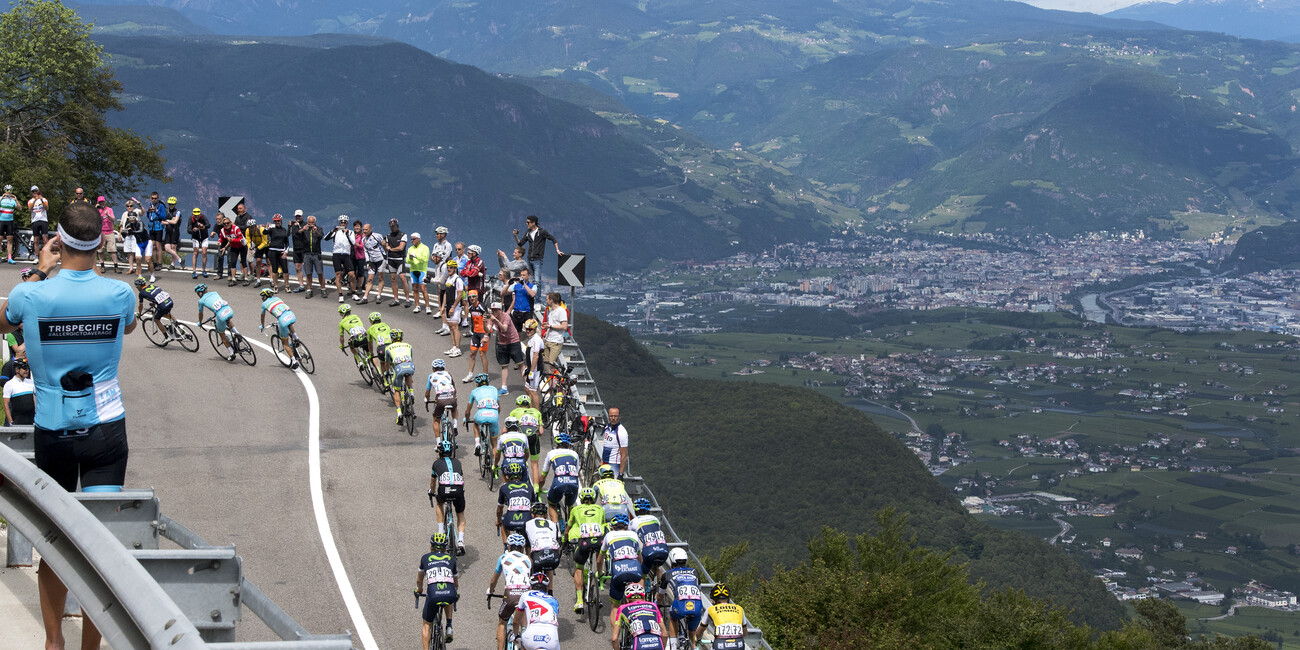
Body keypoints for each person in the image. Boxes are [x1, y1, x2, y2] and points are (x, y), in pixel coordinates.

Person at [0, 201, 136, 650]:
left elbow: (4, 321)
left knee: (57, 544)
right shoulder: (120, 294)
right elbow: (129, 327)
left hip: (54, 432)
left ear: (57, 241)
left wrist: (41, 269)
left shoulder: (31, 295)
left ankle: (54, 642)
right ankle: (91, 647)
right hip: (106, 433)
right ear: (100, 242)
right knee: (99, 548)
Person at [598, 513, 644, 627]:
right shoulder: (633, 535)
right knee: (638, 599)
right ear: (627, 526)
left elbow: (599, 560)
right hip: (635, 570)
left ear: (613, 527)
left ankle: (615, 635)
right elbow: (640, 559)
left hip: (618, 571)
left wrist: (600, 574)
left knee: (615, 606)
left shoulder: (609, 536)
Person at [488, 533, 533, 650]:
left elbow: (494, 580)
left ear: (508, 547)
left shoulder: (503, 558)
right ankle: (523, 637)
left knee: (502, 622)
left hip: (510, 594)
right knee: (523, 615)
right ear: (522, 548)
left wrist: (490, 591)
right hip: (526, 593)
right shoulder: (528, 559)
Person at [567, 486, 606, 613]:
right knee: (598, 560)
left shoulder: (575, 509)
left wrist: (564, 538)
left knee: (579, 568)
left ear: (581, 498)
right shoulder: (600, 509)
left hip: (583, 541)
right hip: (599, 540)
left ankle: (579, 601)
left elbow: (569, 526)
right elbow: (603, 525)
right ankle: (598, 579)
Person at [416, 532, 458, 646]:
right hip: (449, 593)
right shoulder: (451, 559)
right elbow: (455, 584)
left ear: (431, 546)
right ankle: (449, 625)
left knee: (426, 625)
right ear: (445, 548)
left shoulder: (425, 558)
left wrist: (419, 590)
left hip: (433, 594)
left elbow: (419, 581)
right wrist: (456, 594)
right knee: (450, 594)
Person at [658, 548, 703, 650]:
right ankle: (694, 647)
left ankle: (673, 646)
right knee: (692, 631)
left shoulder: (667, 575)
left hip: (680, 606)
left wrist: (657, 603)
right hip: (697, 606)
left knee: (673, 617)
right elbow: (698, 591)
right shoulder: (695, 572)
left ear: (672, 561)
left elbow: (661, 595)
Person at [429, 440, 467, 555]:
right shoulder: (458, 462)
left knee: (439, 503)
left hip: (444, 490)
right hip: (458, 490)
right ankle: (460, 541)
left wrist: (431, 492)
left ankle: (441, 532)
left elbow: (433, 483)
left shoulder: (436, 464)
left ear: (439, 452)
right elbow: (461, 479)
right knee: (460, 513)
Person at [540, 432, 581, 528]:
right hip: (573, 483)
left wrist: (539, 488)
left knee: (552, 504)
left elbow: (543, 476)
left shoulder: (551, 453)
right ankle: (570, 531)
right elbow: (576, 472)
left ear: (557, 444)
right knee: (570, 506)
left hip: (559, 483)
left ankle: (556, 530)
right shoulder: (575, 454)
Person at [513, 572, 560, 650]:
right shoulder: (554, 600)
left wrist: (515, 636)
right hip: (551, 639)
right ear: (547, 589)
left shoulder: (526, 595)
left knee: (523, 644)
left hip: (532, 637)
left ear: (530, 587)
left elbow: (516, 622)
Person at [513, 215, 562, 290]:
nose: (527, 224)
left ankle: (537, 299)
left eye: (528, 222)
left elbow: (553, 239)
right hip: (529, 259)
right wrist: (515, 235)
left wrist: (557, 250)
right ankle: (532, 298)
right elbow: (520, 243)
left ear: (533, 223)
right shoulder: (528, 232)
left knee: (537, 281)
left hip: (537, 260)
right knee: (532, 280)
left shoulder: (542, 232)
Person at [612, 582, 666, 650]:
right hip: (657, 644)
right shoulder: (653, 606)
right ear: (644, 598)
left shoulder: (622, 608)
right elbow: (665, 634)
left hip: (639, 644)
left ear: (627, 600)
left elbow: (614, 639)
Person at [258, 288, 301, 370]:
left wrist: (262, 326)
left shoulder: (264, 304)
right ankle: (296, 338)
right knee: (289, 323)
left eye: (262, 297)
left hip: (282, 320)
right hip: (291, 315)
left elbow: (262, 316)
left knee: (285, 343)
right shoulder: (278, 298)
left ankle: (294, 361)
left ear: (265, 296)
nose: (261, 299)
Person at [196, 284, 241, 361]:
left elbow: (201, 313)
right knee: (228, 320)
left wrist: (200, 322)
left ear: (199, 293)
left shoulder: (201, 301)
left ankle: (231, 353)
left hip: (220, 315)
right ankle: (237, 333)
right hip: (229, 310)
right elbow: (218, 304)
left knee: (221, 334)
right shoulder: (215, 293)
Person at [496, 462, 535, 547]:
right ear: (521, 476)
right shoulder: (529, 486)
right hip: (527, 521)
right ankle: (528, 554)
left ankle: (506, 547)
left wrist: (499, 521)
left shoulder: (503, 488)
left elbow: (499, 510)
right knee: (528, 535)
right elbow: (534, 507)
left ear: (507, 476)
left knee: (503, 519)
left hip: (511, 521)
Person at [696, 584, 745, 650]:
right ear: (728, 599)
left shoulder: (710, 609)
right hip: (739, 644)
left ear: (714, 600)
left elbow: (699, 632)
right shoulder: (740, 609)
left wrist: (698, 639)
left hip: (720, 645)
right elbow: (744, 632)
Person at [509, 394, 543, 485]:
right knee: (535, 464)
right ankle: (536, 488)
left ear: (518, 405)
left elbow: (511, 428)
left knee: (519, 459)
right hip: (534, 437)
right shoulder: (536, 412)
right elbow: (541, 432)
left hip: (521, 438)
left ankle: (518, 479)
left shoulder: (514, 411)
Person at [524, 501, 562, 581]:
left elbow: (528, 548)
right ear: (546, 515)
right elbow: (557, 542)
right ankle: (550, 591)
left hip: (538, 555)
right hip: (554, 558)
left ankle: (532, 587)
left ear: (532, 515)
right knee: (549, 568)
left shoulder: (528, 524)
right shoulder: (553, 524)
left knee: (533, 569)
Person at [492, 301, 524, 396]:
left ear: (500, 310)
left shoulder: (506, 317)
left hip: (513, 342)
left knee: (520, 364)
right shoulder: (492, 318)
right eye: (493, 311)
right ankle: (504, 387)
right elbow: (488, 329)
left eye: (496, 311)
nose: (494, 313)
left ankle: (528, 384)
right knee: (504, 365)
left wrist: (496, 321)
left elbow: (505, 328)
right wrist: (486, 324)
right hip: (502, 343)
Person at [632, 498, 669, 578]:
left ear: (635, 511)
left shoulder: (633, 522)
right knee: (657, 567)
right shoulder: (655, 519)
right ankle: (661, 588)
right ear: (648, 511)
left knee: (641, 575)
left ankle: (643, 587)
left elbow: (628, 537)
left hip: (649, 553)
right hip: (664, 551)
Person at [385, 328, 415, 424]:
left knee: (397, 390)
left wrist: (387, 372)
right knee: (408, 374)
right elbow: (410, 358)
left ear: (391, 338)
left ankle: (399, 413)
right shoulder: (408, 345)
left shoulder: (388, 348)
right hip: (409, 366)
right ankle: (411, 392)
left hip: (398, 368)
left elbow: (387, 363)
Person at [466, 372, 500, 456]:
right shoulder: (494, 389)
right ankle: (495, 466)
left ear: (477, 384)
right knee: (494, 445)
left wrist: (466, 419)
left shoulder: (474, 391)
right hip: (494, 415)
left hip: (481, 415)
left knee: (475, 423)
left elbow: (468, 410)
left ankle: (477, 444)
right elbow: (499, 407)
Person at [425, 358, 458, 442]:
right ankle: (455, 425)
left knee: (436, 419)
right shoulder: (448, 374)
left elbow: (427, 392)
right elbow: (454, 389)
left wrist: (427, 399)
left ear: (433, 368)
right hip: (451, 396)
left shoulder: (431, 376)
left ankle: (438, 443)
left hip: (440, 398)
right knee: (454, 408)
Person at [381, 218, 411, 308]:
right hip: (391, 259)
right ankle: (396, 299)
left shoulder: (403, 235)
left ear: (397, 226)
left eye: (393, 226)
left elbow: (401, 248)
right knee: (393, 279)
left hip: (399, 259)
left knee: (402, 278)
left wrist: (390, 248)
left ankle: (407, 299)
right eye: (391, 226)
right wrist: (384, 245)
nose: (392, 228)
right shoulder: (388, 236)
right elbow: (386, 249)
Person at [326, 215, 354, 303]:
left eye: (344, 222)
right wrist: (333, 231)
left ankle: (354, 292)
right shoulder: (336, 231)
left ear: (347, 223)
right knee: (338, 274)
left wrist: (346, 233)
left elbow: (353, 243)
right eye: (341, 222)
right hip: (337, 254)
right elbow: (326, 238)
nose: (343, 223)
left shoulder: (350, 232)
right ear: (339, 223)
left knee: (352, 274)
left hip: (346, 254)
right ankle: (340, 294)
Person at [355, 222, 385, 305]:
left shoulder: (377, 236)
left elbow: (383, 244)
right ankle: (365, 297)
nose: (364, 231)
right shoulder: (364, 239)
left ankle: (379, 296)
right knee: (370, 279)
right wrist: (368, 261)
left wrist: (385, 254)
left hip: (380, 260)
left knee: (380, 277)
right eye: (363, 230)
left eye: (366, 230)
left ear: (370, 229)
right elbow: (365, 250)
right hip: (372, 261)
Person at [464, 290, 490, 382]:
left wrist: (486, 335)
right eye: (470, 297)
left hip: (483, 333)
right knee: (472, 354)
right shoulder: (471, 307)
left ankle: (486, 376)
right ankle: (470, 374)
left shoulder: (482, 306)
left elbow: (489, 319)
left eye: (474, 296)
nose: (472, 298)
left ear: (477, 297)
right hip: (475, 333)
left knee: (482, 354)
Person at [440, 259, 465, 354]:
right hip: (448, 305)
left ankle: (458, 348)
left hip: (455, 306)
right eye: (448, 267)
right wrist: (443, 306)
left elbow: (459, 295)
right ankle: (454, 346)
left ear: (455, 269)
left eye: (451, 268)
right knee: (450, 327)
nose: (449, 269)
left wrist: (453, 307)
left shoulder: (457, 280)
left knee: (455, 326)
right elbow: (446, 293)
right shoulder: (448, 279)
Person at [495, 418, 530, 483]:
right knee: (524, 483)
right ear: (517, 427)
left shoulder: (502, 437)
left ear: (506, 427)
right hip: (521, 462)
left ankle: (505, 487)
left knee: (505, 481)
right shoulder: (524, 436)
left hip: (507, 463)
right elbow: (527, 453)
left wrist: (495, 465)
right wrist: (525, 461)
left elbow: (497, 455)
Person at [298, 215, 326, 298]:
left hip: (316, 254)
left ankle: (323, 289)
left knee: (320, 272)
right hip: (307, 254)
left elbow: (320, 236)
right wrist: (303, 229)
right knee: (308, 273)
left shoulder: (319, 228)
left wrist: (315, 231)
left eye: (312, 222)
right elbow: (297, 233)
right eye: (309, 222)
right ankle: (309, 290)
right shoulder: (305, 229)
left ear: (315, 223)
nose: (311, 224)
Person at [122, 199, 150, 278]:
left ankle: (138, 268)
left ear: (133, 206)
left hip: (135, 234)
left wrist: (140, 204)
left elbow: (143, 212)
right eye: (128, 206)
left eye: (131, 206)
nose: (129, 207)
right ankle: (131, 268)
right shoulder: (124, 214)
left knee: (136, 252)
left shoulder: (137, 211)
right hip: (127, 235)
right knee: (129, 252)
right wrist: (121, 234)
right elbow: (122, 224)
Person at [3, 357, 34, 426]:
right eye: (24, 369)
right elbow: (6, 404)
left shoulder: (31, 382)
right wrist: (10, 421)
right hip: (18, 420)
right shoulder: (9, 384)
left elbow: (36, 400)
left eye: (27, 368)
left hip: (31, 419)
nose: (27, 371)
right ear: (17, 370)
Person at [406, 231, 432, 314]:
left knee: (423, 289)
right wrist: (410, 258)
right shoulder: (410, 249)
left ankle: (427, 306)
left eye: (414, 239)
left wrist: (415, 256)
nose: (412, 240)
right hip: (413, 270)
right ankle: (417, 306)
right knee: (415, 288)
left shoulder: (425, 248)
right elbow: (407, 261)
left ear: (418, 239)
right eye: (411, 239)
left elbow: (425, 259)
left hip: (422, 271)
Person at [365, 311, 392, 386]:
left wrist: (372, 353)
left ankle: (386, 382)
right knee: (392, 361)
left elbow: (370, 343)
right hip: (391, 346)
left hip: (381, 348)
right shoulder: (386, 325)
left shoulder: (370, 329)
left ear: (371, 320)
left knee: (382, 363)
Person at [219, 215, 248, 286]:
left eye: (227, 223)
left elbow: (240, 238)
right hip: (234, 247)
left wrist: (232, 240)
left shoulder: (236, 228)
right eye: (224, 224)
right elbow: (221, 238)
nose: (226, 225)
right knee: (233, 262)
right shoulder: (223, 230)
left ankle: (246, 279)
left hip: (242, 245)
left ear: (230, 223)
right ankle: (233, 279)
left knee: (243, 261)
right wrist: (219, 242)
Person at [542, 292, 568, 371]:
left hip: (556, 341)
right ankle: (550, 382)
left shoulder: (561, 311)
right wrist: (548, 326)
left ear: (551, 300)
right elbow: (554, 324)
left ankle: (553, 382)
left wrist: (550, 326)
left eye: (547, 299)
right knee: (546, 363)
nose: (546, 301)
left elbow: (564, 326)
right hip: (548, 339)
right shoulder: (552, 311)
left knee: (551, 365)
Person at [602, 407, 630, 478]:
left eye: (615, 416)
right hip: (605, 463)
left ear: (619, 417)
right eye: (611, 416)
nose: (613, 418)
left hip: (614, 464)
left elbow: (624, 455)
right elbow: (605, 447)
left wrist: (620, 474)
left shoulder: (621, 432)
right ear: (608, 417)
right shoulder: (606, 428)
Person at [265, 213, 290, 292]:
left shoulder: (284, 230)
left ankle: (287, 286)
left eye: (278, 221)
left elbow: (287, 242)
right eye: (275, 221)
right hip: (272, 251)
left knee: (285, 269)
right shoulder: (271, 229)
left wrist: (286, 252)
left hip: (281, 252)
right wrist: (266, 228)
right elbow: (264, 233)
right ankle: (275, 286)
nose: (277, 222)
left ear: (281, 221)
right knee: (274, 269)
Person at [522, 319, 544, 407]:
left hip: (535, 369)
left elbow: (535, 356)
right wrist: (527, 368)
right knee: (527, 389)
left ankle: (537, 414)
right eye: (526, 329)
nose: (528, 331)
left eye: (530, 329)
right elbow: (529, 356)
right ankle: (531, 409)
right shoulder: (531, 339)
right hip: (531, 367)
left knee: (533, 391)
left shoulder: (536, 340)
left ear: (534, 329)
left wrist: (531, 371)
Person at [509, 267, 538, 333]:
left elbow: (532, 294)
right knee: (516, 332)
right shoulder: (516, 285)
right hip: (517, 312)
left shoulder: (533, 286)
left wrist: (524, 284)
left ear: (528, 276)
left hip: (527, 312)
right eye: (521, 275)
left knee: (530, 331)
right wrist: (508, 283)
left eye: (524, 275)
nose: (522, 277)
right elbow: (503, 292)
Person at [145, 192, 167, 277]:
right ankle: (154, 262)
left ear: (157, 198)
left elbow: (164, 216)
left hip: (158, 227)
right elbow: (148, 216)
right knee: (153, 245)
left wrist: (156, 211)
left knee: (158, 245)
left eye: (155, 198)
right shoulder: (150, 205)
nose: (153, 200)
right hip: (151, 227)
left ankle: (159, 263)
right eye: (152, 198)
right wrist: (148, 211)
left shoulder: (160, 206)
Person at [96, 196, 120, 274]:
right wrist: (95, 209)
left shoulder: (109, 209)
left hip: (109, 231)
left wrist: (108, 215)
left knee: (112, 250)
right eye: (100, 202)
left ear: (105, 202)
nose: (101, 203)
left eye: (102, 202)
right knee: (100, 250)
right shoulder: (96, 210)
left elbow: (113, 220)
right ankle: (102, 266)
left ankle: (116, 266)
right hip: (101, 232)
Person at [26, 185, 50, 256]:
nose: (35, 193)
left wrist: (41, 200)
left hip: (43, 220)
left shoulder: (44, 199)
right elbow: (29, 208)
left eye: (36, 191)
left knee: (45, 239)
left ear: (38, 191)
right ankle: (37, 256)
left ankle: (46, 255)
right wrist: (35, 200)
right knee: (36, 240)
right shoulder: (30, 200)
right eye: (33, 192)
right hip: (35, 221)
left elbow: (46, 208)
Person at [188, 207, 211, 279]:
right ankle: (194, 271)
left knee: (204, 252)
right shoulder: (190, 219)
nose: (196, 217)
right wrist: (193, 230)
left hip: (204, 237)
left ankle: (204, 270)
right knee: (196, 253)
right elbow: (188, 230)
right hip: (195, 237)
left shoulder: (203, 217)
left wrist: (203, 226)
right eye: (195, 215)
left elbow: (208, 225)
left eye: (198, 215)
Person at [246, 218, 269, 286]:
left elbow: (265, 242)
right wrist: (250, 248)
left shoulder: (261, 229)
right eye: (250, 227)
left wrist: (257, 249)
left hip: (266, 245)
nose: (251, 229)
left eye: (252, 227)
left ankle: (271, 280)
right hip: (258, 245)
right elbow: (248, 241)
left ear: (255, 226)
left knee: (269, 262)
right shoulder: (248, 231)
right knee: (258, 261)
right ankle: (258, 280)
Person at [289, 210, 307, 292]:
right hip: (296, 249)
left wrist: (301, 228)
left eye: (299, 216)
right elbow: (287, 235)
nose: (298, 218)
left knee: (306, 267)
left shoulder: (305, 224)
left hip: (304, 249)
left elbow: (301, 232)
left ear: (302, 216)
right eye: (296, 216)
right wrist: (289, 226)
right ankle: (301, 285)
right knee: (297, 267)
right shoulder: (293, 225)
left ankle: (309, 285)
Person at [349, 220, 367, 302]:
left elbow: (363, 246)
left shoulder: (363, 235)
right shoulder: (351, 234)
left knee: (360, 273)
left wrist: (355, 244)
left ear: (360, 227)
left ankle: (359, 288)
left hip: (360, 256)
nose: (357, 227)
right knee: (352, 272)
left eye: (358, 226)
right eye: (355, 226)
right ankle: (352, 288)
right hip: (352, 256)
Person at [163, 197, 182, 269]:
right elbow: (162, 222)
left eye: (172, 204)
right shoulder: (166, 211)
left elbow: (175, 222)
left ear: (175, 204)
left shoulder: (177, 212)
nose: (171, 205)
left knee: (173, 248)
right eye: (170, 204)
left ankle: (172, 264)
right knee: (167, 248)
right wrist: (169, 221)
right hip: (168, 231)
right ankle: (179, 259)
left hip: (175, 232)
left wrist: (167, 221)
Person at [0, 185, 18, 263]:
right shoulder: (1, 198)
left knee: (10, 239)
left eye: (10, 190)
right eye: (7, 190)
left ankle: (9, 258)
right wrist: (2, 198)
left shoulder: (12, 200)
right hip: (1, 220)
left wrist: (16, 200)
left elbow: (19, 208)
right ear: (4, 191)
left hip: (10, 221)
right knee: (0, 239)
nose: (9, 192)